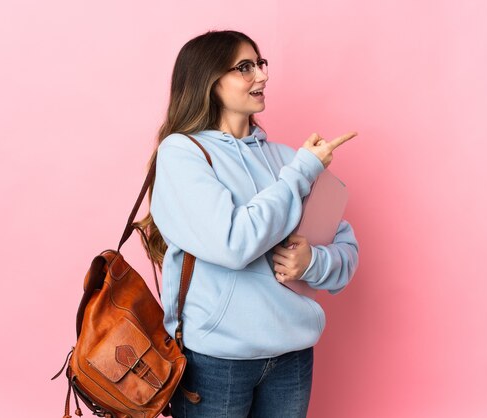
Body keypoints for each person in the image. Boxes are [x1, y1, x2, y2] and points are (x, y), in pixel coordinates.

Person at [135, 29, 359, 418]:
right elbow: (233, 243)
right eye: (244, 67)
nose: (262, 76)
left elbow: (345, 247)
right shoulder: (183, 153)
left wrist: (311, 263)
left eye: (260, 64)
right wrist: (301, 172)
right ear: (209, 80)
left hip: (292, 357)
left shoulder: (287, 158)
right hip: (215, 363)